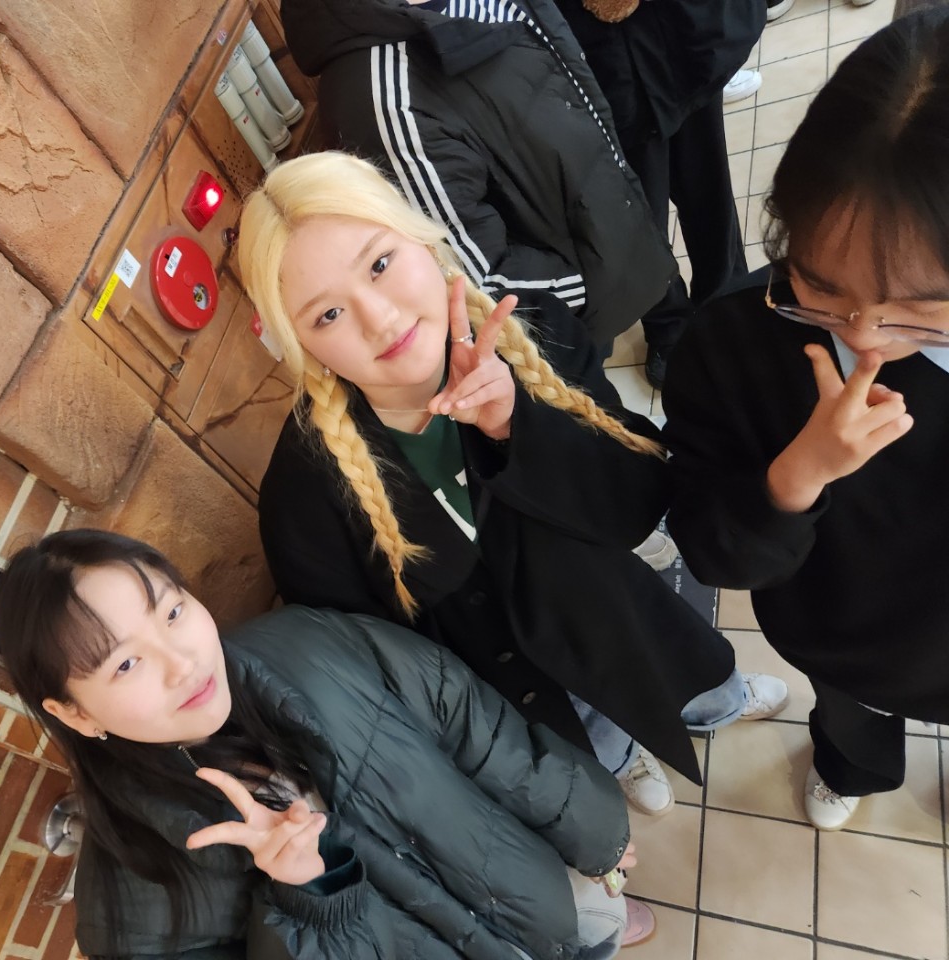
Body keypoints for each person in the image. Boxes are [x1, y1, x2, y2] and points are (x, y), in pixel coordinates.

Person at [242, 151, 788, 827]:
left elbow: (641, 497)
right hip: (521, 691)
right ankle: (626, 762)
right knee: (598, 743)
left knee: (695, 678)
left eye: (380, 263)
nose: (379, 319)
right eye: (327, 314)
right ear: (298, 346)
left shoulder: (531, 331)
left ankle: (722, 703)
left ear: (421, 238)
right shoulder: (303, 496)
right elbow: (379, 666)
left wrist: (513, 424)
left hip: (618, 618)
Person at [0, 529, 636, 959]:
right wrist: (308, 895)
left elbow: (481, 730)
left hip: (548, 909)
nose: (181, 662)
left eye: (171, 612)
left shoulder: (311, 643)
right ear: (74, 713)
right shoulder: (130, 900)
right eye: (125, 664)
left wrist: (598, 834)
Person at [662, 9, 949, 831]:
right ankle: (849, 768)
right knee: (852, 727)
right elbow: (712, 551)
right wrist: (799, 475)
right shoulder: (735, 342)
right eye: (821, 285)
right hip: (843, 637)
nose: (864, 336)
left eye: (917, 310)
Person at [278, 0, 678, 379]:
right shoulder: (381, 96)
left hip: (610, 222)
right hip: (572, 315)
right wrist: (601, 276)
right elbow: (474, 274)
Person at [549, 0, 764, 387]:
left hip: (678, 37)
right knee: (636, 210)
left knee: (708, 185)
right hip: (594, 54)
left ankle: (726, 296)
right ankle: (667, 321)